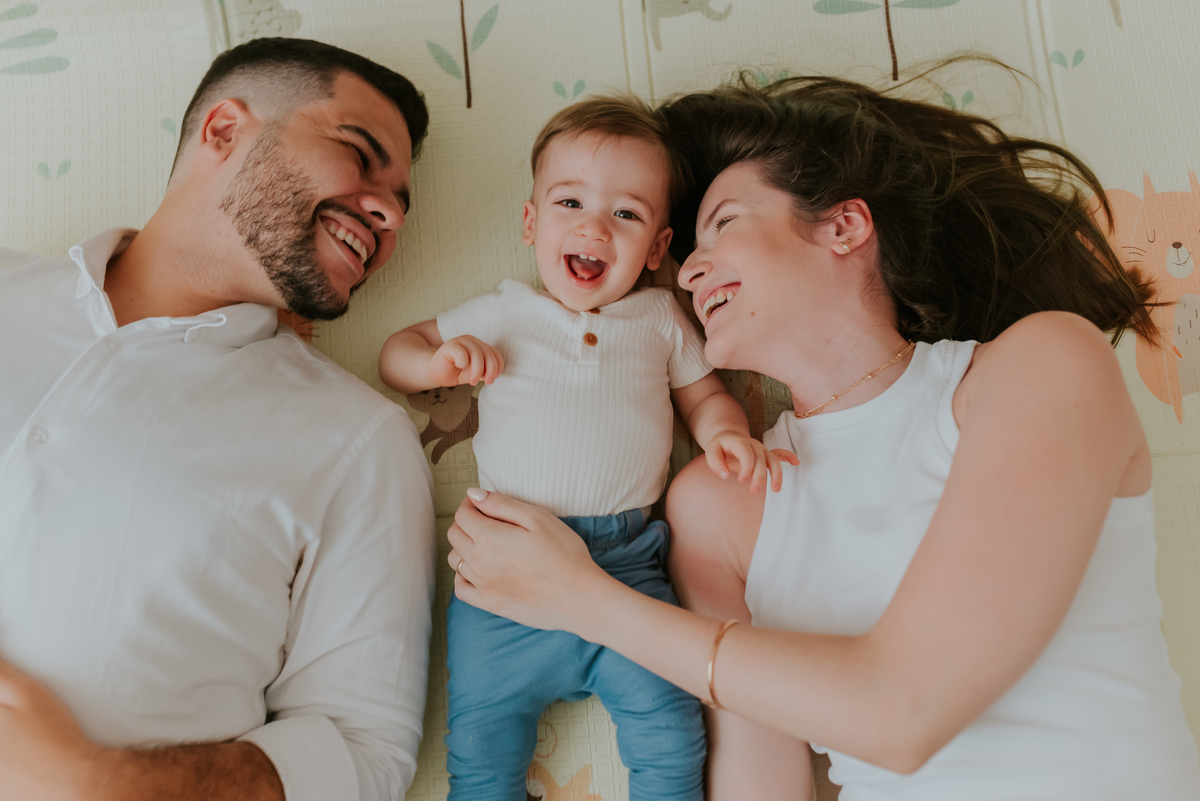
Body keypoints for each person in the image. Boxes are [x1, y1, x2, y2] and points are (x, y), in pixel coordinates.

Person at [442, 72, 1200, 800]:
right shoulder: (717, 502)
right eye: (687, 252)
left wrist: (583, 598)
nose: (690, 271)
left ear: (844, 225)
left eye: (723, 224)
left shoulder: (1041, 365)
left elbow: (905, 711)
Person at [0, 37, 436, 801]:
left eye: (400, 201)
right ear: (225, 130)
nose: (391, 212)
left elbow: (363, 754)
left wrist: (96, 782)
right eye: (360, 154)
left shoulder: (361, 442)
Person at [378, 96, 794, 801]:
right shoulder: (506, 311)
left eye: (626, 214)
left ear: (658, 248)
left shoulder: (660, 319)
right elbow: (396, 352)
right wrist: (437, 361)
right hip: (501, 578)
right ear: (530, 223)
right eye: (570, 202)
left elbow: (705, 398)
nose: (594, 226)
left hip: (628, 566)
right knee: (480, 750)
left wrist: (726, 434)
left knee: (672, 738)